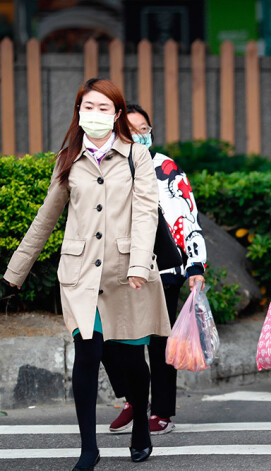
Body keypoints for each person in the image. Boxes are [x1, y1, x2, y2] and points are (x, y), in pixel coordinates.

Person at [2, 78, 170, 469]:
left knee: (131, 360)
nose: (95, 114)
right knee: (87, 354)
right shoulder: (68, 158)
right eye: (88, 107)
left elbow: (146, 212)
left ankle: (141, 426)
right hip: (80, 276)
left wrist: (139, 265)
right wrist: (14, 272)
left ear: (117, 114)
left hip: (126, 274)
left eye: (104, 108)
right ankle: (88, 448)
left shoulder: (136, 157)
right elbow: (46, 218)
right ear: (79, 111)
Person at [104, 104, 207, 435]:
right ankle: (133, 399)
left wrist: (195, 264)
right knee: (113, 339)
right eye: (131, 130)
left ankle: (161, 411)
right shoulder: (107, 166)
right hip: (119, 267)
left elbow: (186, 214)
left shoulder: (164, 166)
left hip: (164, 266)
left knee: (160, 343)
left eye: (144, 128)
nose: (139, 135)